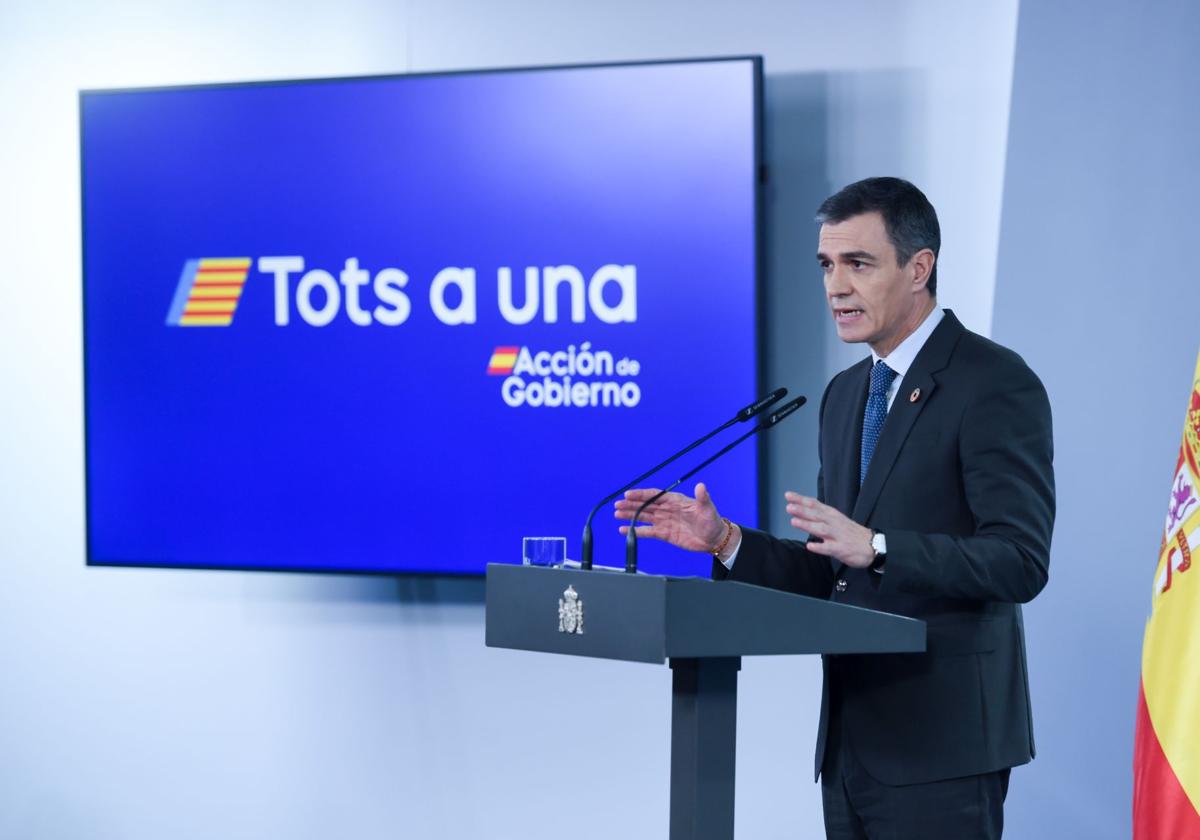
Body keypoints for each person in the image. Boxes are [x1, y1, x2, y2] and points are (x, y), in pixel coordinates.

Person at [614, 177, 1054, 839]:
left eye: (858, 263)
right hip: (851, 749)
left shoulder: (992, 382)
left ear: (919, 268)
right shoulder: (847, 395)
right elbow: (834, 570)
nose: (835, 286)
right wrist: (726, 541)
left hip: (945, 747)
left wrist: (881, 546)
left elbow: (1020, 561)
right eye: (826, 265)